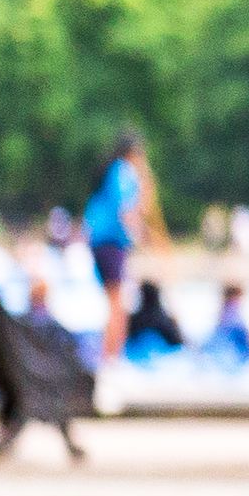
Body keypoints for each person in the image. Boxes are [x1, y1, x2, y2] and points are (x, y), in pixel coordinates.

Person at [87, 132, 177, 361]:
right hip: (110, 243)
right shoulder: (123, 171)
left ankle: (110, 356)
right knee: (118, 303)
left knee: (115, 301)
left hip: (104, 241)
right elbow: (128, 210)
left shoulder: (116, 171)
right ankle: (111, 358)